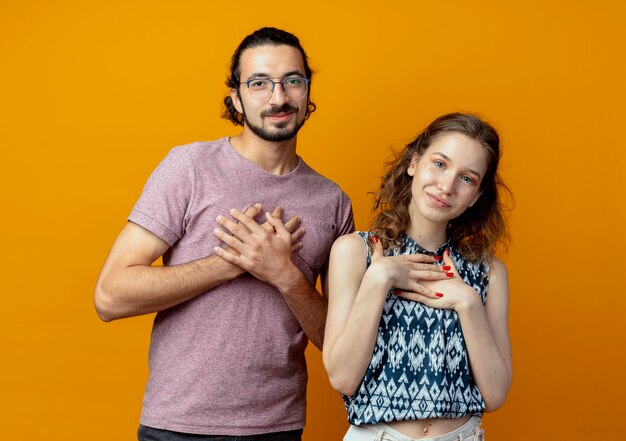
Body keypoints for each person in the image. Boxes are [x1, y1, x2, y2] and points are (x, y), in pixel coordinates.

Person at [94, 27, 354, 440]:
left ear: (307, 92)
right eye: (259, 83)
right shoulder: (189, 167)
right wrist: (229, 262)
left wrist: (284, 274)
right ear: (235, 98)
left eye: (293, 81)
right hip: (177, 425)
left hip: (278, 428)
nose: (278, 97)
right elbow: (110, 296)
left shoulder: (332, 202)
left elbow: (342, 343)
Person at [323, 113, 512, 441]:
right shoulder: (355, 252)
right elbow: (342, 378)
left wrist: (467, 303)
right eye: (440, 164)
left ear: (477, 197)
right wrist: (378, 278)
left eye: (467, 178)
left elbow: (495, 394)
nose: (446, 186)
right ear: (413, 163)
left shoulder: (488, 272)